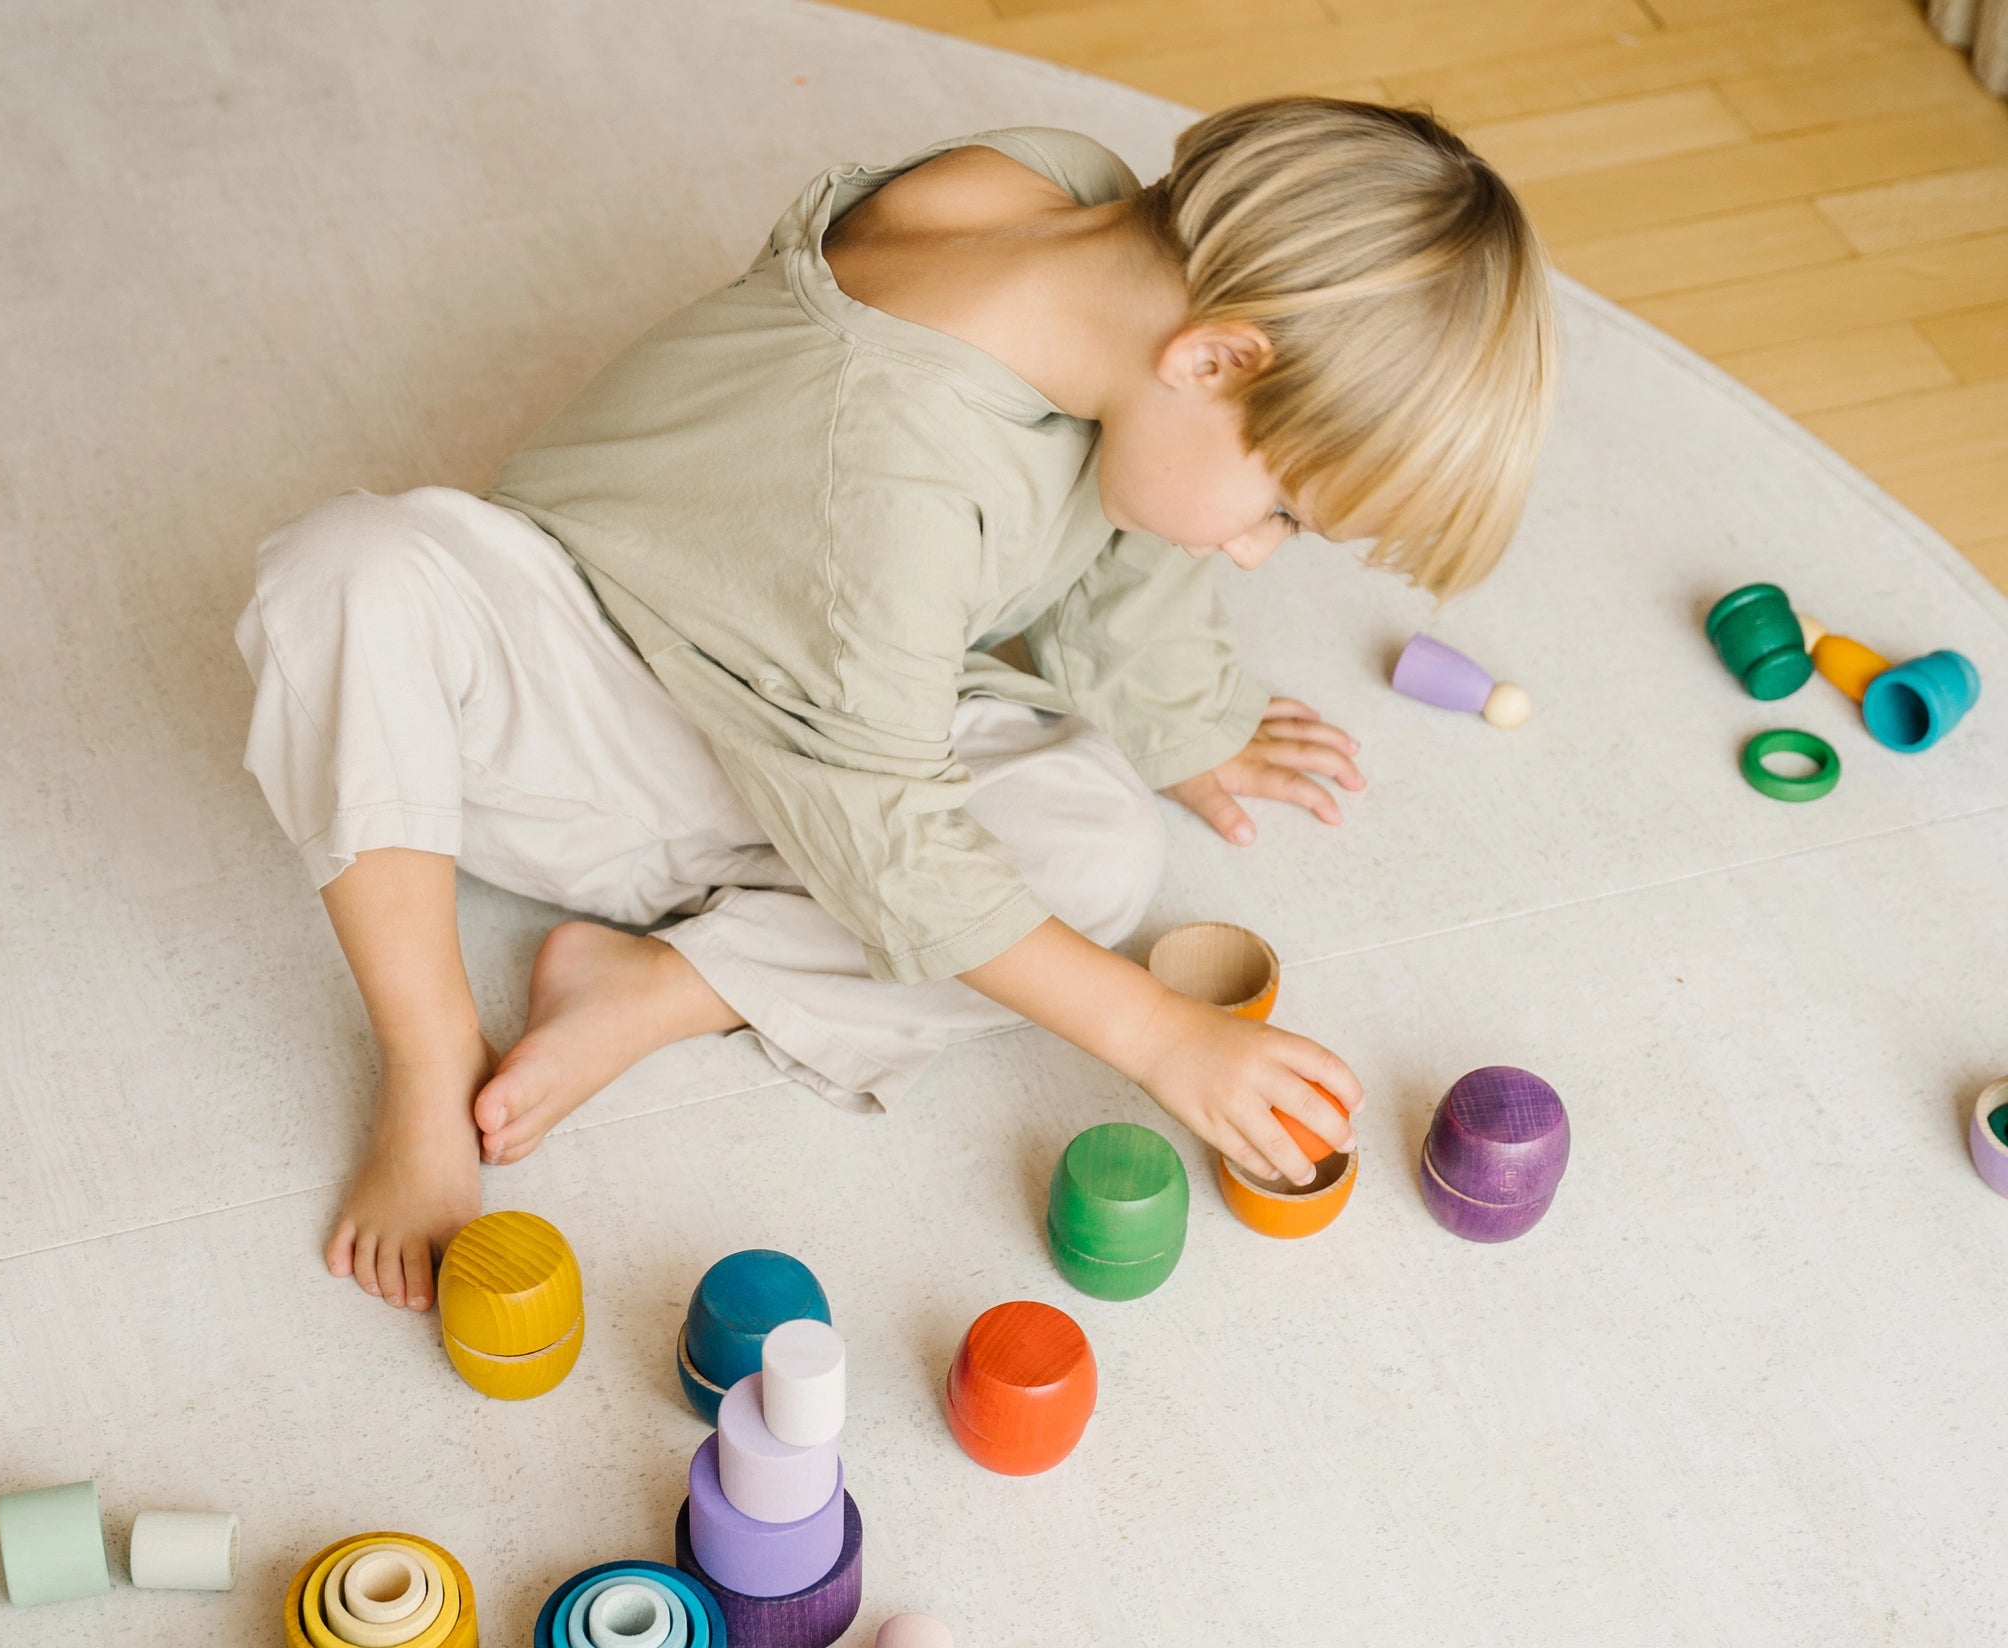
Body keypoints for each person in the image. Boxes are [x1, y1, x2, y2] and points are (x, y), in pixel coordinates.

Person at [236, 98, 1556, 1312]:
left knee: (1096, 838)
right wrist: (1159, 1037)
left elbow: (1133, 512)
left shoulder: (1082, 226)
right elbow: (891, 837)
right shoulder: (901, 467)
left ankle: (662, 982)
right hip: (581, 693)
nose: (1258, 550)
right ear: (1214, 358)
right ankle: (425, 1054)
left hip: (829, 707)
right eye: (1280, 513)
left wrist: (1183, 718)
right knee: (357, 576)